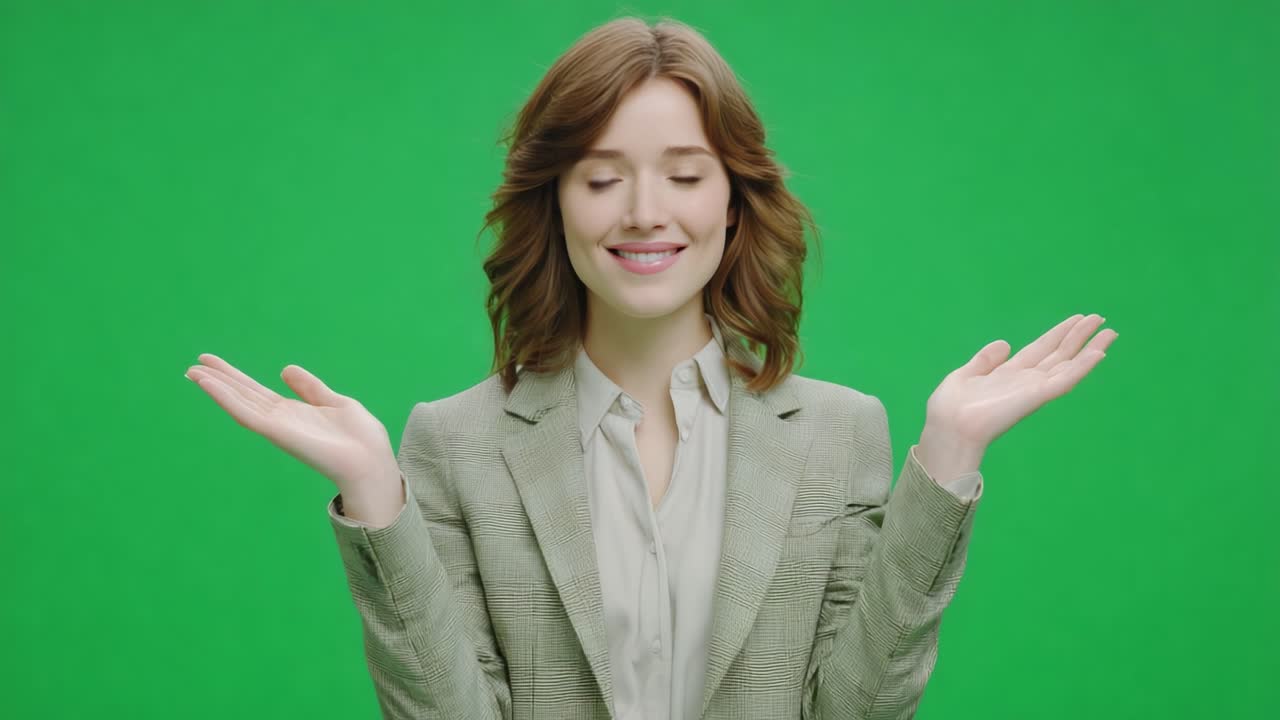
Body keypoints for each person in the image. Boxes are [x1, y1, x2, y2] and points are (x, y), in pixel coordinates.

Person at [184, 16, 1118, 720]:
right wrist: (373, 494)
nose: (643, 212)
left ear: (734, 202)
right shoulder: (451, 442)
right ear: (553, 204)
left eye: (684, 173)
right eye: (600, 177)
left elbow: (861, 708)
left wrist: (947, 460)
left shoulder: (844, 434)